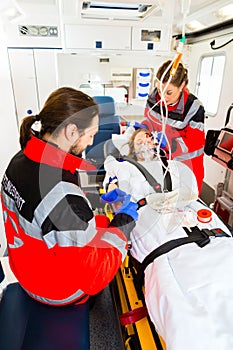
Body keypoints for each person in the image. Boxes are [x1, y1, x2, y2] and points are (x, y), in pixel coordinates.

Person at [0, 87, 138, 306]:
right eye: (91, 135)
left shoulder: (20, 160)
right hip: (53, 290)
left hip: (27, 268)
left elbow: (47, 212)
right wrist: (124, 223)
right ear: (71, 131)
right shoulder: (61, 196)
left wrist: (92, 203)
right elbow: (94, 277)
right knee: (109, 242)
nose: (91, 142)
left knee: (101, 223)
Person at [102, 128, 233, 350]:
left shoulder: (173, 165)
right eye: (141, 138)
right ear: (132, 146)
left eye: (150, 138)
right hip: (153, 222)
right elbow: (115, 183)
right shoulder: (124, 167)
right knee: (192, 317)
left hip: (193, 217)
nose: (147, 141)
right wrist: (116, 190)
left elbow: (191, 189)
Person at [142, 60, 205, 195]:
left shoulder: (193, 108)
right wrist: (143, 131)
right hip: (160, 161)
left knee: (186, 205)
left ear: (182, 85)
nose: (163, 97)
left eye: (169, 93)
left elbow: (195, 143)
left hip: (188, 167)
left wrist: (169, 145)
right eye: (160, 90)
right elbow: (148, 121)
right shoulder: (153, 99)